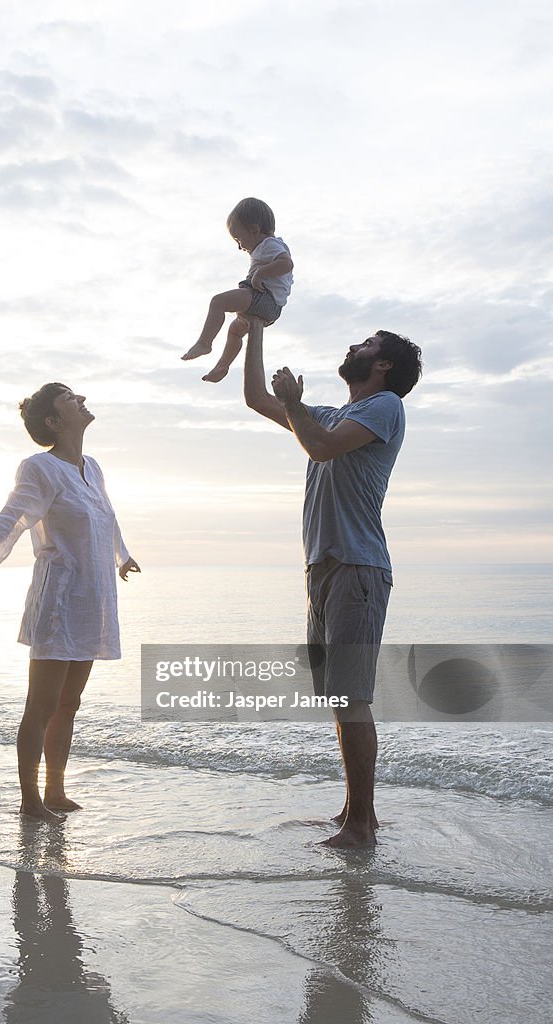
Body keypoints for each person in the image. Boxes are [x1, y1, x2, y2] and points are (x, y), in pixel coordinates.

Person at [0, 383, 140, 823]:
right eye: (69, 399)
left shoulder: (92, 467)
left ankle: (55, 791)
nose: (82, 399)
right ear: (54, 422)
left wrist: (123, 555)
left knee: (69, 703)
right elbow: (8, 521)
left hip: (93, 599)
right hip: (60, 601)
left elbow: (106, 515)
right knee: (41, 704)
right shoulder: (40, 468)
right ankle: (30, 801)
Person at [243, 319, 422, 848]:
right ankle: (352, 812)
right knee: (339, 698)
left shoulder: (384, 406)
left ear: (383, 364)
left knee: (351, 698)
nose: (355, 346)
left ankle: (363, 824)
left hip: (357, 566)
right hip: (323, 568)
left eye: (367, 345)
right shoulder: (331, 413)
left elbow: (320, 447)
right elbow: (256, 397)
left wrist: (296, 405)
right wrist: (254, 326)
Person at [181, 197, 293, 382]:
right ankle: (222, 366)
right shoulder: (267, 246)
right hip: (270, 307)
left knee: (218, 302)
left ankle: (204, 343)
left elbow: (286, 264)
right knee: (235, 331)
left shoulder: (269, 245)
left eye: (239, 239)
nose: (239, 247)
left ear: (255, 230)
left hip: (263, 299)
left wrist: (261, 274)